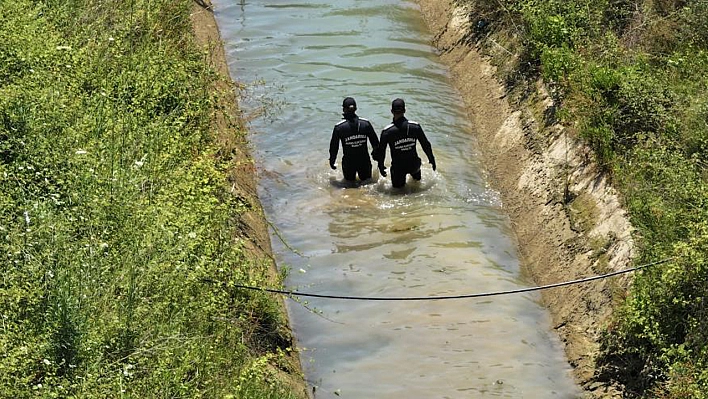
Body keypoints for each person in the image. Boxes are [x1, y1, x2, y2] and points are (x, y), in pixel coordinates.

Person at [375, 98, 437, 189]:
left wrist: (381, 166)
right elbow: (425, 144)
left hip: (398, 168)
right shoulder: (415, 126)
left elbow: (382, 151)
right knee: (417, 185)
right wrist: (431, 159)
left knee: (398, 193)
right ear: (405, 110)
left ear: (392, 111)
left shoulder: (387, 131)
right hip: (414, 165)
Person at [329, 97, 380, 183]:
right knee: (367, 184)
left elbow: (334, 147)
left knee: (349, 187)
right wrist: (378, 157)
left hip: (349, 163)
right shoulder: (365, 124)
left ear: (344, 109)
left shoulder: (339, 127)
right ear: (356, 109)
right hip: (364, 162)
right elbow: (376, 144)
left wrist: (332, 160)